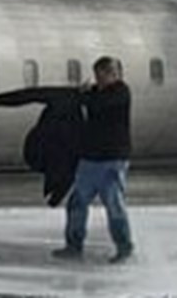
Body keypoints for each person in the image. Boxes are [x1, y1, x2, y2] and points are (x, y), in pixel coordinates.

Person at [53, 56, 133, 264]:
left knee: (114, 204)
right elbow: (90, 102)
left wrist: (83, 95)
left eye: (103, 74)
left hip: (112, 160)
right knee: (77, 203)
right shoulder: (96, 93)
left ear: (114, 74)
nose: (99, 78)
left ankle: (124, 247)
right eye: (97, 74)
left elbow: (99, 104)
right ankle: (73, 245)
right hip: (90, 159)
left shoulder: (120, 92)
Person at [0, 86, 83, 207]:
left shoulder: (72, 97)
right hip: (47, 145)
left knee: (66, 168)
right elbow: (33, 94)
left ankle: (55, 195)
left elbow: (33, 94)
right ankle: (55, 196)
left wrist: (0, 100)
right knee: (66, 168)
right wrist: (1, 100)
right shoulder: (69, 97)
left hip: (51, 147)